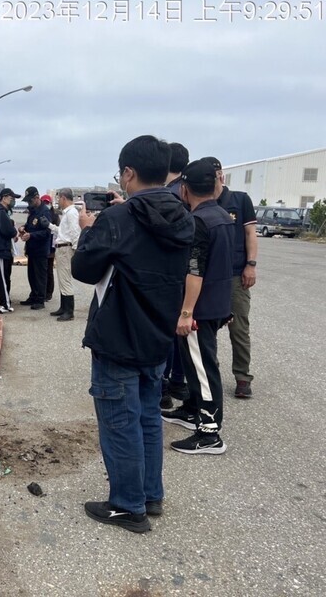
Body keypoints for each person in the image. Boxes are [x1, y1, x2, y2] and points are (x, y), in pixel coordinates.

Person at [71, 135, 194, 533]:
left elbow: (84, 270)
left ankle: (127, 505)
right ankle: (150, 494)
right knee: (147, 418)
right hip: (157, 335)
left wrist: (90, 229)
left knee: (120, 421)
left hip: (119, 336)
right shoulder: (183, 216)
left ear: (129, 172)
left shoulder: (119, 219)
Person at [161, 160, 234, 455]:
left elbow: (195, 270)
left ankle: (209, 432)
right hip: (216, 302)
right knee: (195, 363)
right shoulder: (222, 216)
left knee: (203, 367)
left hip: (200, 309)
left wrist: (186, 311)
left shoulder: (199, 221)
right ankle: (192, 409)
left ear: (184, 188)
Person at [202, 156, 258, 398]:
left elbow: (250, 234)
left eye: (215, 175)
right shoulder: (200, 201)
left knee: (239, 327)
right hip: (207, 277)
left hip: (236, 274)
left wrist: (251, 265)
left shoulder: (239, 200)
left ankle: (242, 376)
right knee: (206, 328)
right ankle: (208, 372)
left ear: (221, 175)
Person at [161, 142, 191, 408]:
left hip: (171, 274)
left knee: (168, 330)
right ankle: (179, 381)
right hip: (190, 273)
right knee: (182, 331)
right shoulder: (191, 191)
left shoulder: (168, 195)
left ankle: (162, 386)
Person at [18, 186, 53, 310]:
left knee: (40, 276)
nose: (29, 203)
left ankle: (40, 299)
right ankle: (33, 295)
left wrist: (31, 235)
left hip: (40, 249)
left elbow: (47, 232)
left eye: (30, 201)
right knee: (32, 275)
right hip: (32, 249)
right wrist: (23, 228)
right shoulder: (33, 211)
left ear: (37, 197)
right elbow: (30, 225)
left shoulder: (44, 212)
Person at [49, 188, 80, 321]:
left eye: (58, 199)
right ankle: (63, 307)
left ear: (63, 198)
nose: (58, 201)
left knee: (65, 279)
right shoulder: (67, 213)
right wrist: (49, 226)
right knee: (62, 279)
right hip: (62, 248)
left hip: (66, 249)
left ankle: (69, 311)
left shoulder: (71, 213)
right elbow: (63, 232)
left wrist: (75, 250)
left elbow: (75, 233)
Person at [43, 194, 60, 302]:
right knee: (42, 271)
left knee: (49, 271)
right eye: (44, 202)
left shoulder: (55, 216)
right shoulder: (40, 213)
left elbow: (58, 231)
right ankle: (42, 291)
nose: (46, 205)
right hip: (42, 246)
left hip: (51, 247)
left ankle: (49, 293)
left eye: (47, 203)